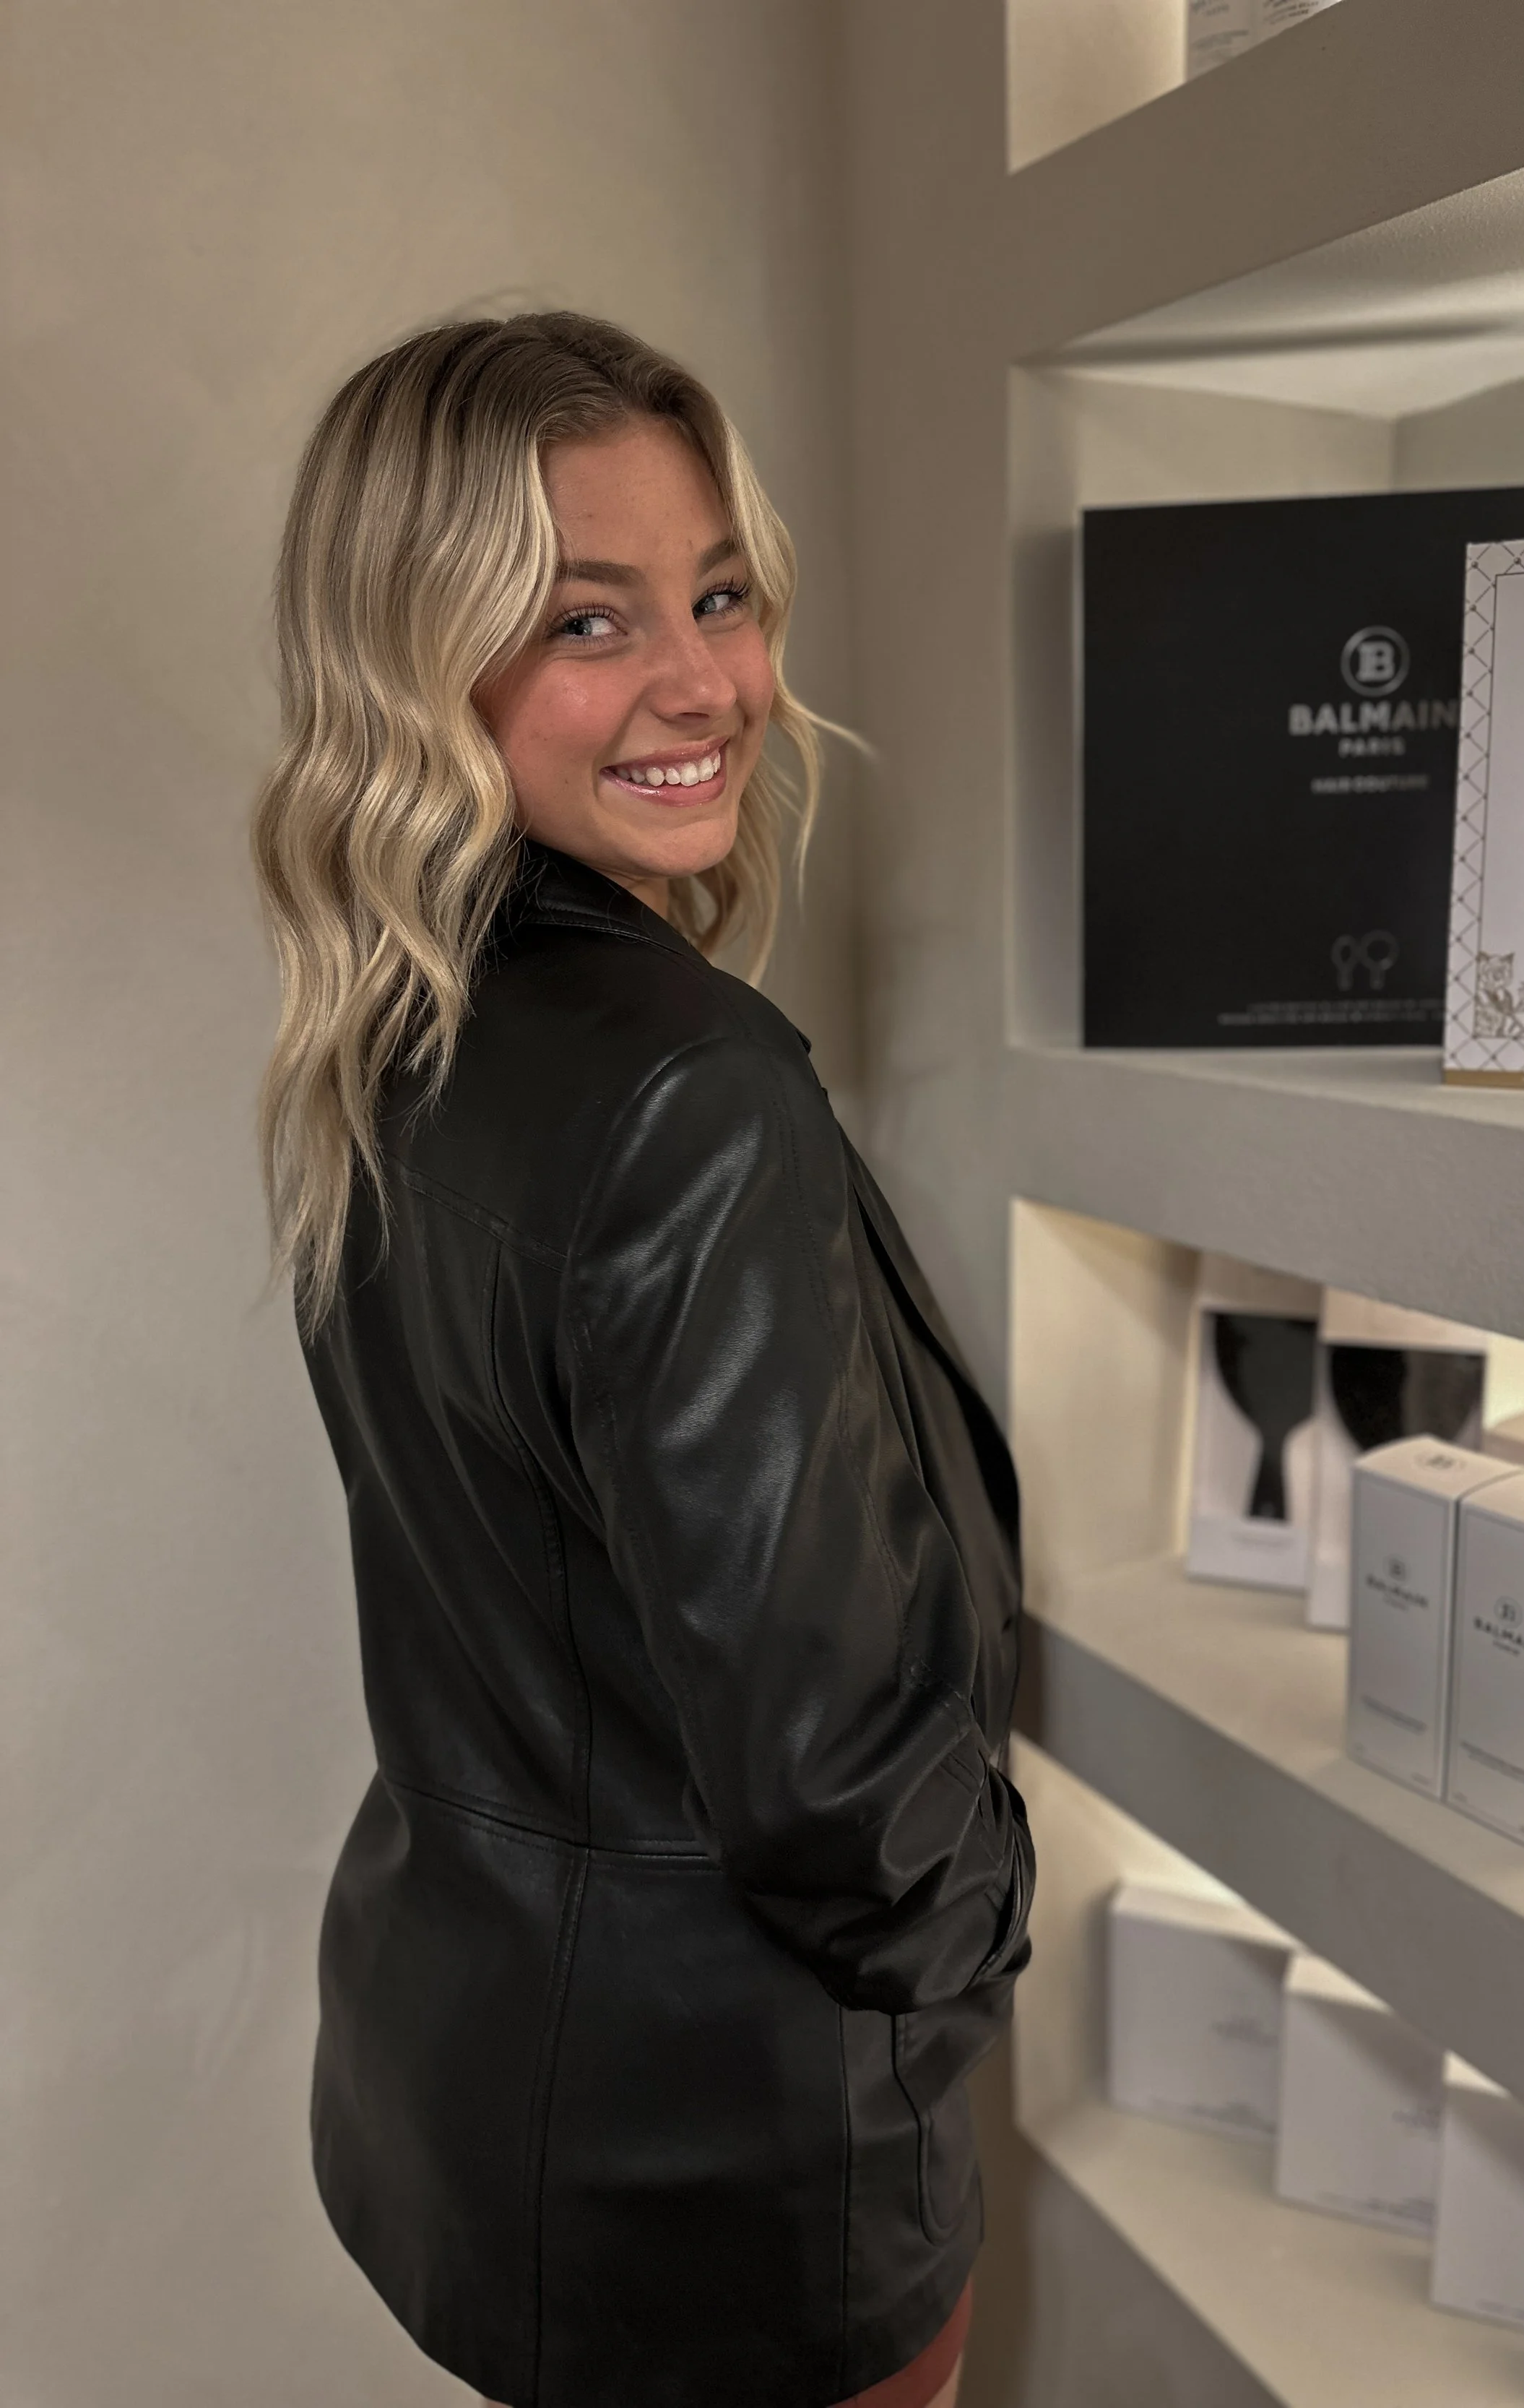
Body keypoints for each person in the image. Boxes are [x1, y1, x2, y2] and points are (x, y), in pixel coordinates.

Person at [251, 311, 1033, 2408]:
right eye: (588, 620)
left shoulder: (390, 1038)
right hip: (732, 2174)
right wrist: (972, 1964)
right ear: (420, 660)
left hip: (474, 2085)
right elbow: (835, 1775)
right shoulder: (689, 1091)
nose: (701, 683)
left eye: (719, 595)